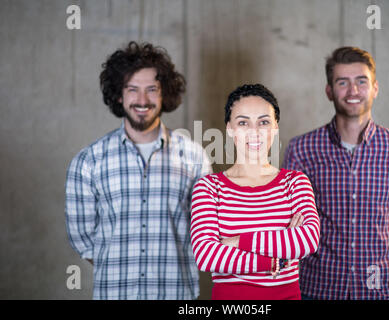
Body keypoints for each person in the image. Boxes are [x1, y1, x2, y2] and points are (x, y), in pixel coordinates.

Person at [65, 41, 212, 300]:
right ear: (119, 95)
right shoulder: (89, 161)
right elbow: (84, 240)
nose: (142, 100)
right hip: (115, 293)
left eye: (151, 89)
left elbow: (206, 231)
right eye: (132, 89)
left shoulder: (194, 157)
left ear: (164, 93)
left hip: (177, 294)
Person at [283, 46, 389, 300]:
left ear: (375, 88)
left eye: (361, 81)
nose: (353, 91)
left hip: (381, 289)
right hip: (319, 287)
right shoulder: (302, 149)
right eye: (342, 82)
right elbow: (289, 220)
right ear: (329, 91)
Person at [190, 84, 320, 300]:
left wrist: (237, 241)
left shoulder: (295, 183)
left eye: (264, 122)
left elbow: (307, 241)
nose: (254, 131)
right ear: (229, 129)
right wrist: (276, 259)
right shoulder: (208, 187)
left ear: (275, 127)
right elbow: (206, 256)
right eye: (243, 122)